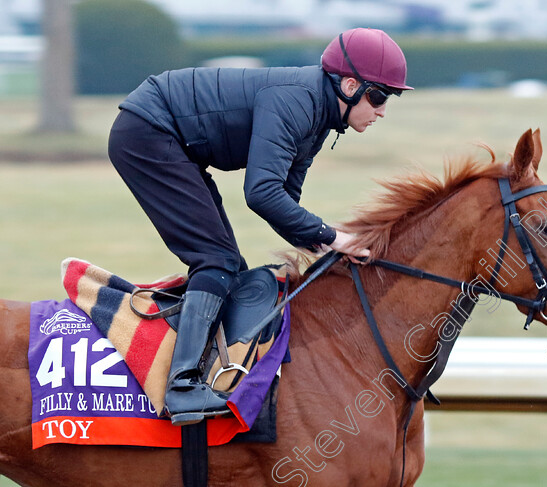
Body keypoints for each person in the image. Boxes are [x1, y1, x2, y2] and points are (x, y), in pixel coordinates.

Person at [108, 28, 412, 426]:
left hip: (173, 141)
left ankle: (204, 371)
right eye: (378, 96)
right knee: (215, 261)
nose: (382, 111)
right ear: (350, 85)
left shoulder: (320, 118)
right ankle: (181, 388)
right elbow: (261, 192)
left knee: (229, 266)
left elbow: (284, 202)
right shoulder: (298, 101)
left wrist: (325, 248)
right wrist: (333, 236)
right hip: (148, 131)